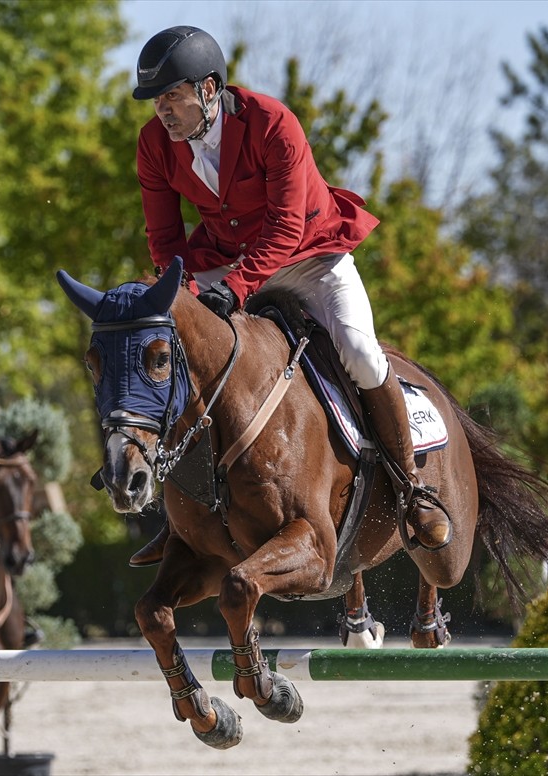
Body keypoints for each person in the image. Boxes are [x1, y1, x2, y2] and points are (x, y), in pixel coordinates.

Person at [128, 25, 451, 566]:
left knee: (359, 351)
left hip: (309, 255)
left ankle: (412, 487)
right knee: (172, 351)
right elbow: (164, 240)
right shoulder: (154, 145)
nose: (162, 110)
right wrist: (179, 299)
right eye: (156, 100)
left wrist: (234, 290)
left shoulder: (273, 124)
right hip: (227, 259)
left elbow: (282, 228)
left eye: (172, 96)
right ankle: (183, 514)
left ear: (209, 89)